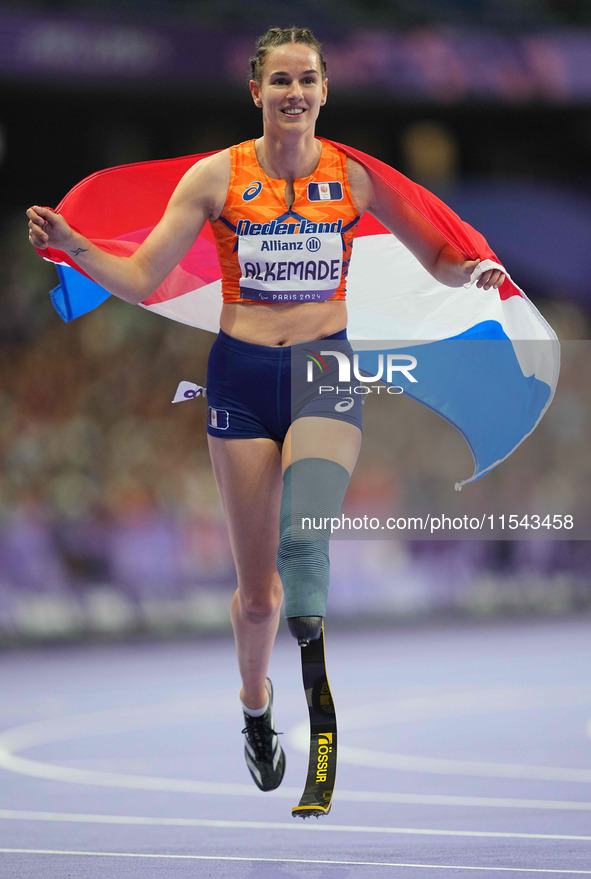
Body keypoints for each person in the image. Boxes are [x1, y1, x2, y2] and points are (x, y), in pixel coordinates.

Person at [27, 26, 505, 794]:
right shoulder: (216, 179)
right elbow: (145, 276)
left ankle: (314, 663)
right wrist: (79, 248)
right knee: (257, 597)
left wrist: (473, 270)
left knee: (301, 543)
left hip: (324, 367)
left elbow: (439, 260)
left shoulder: (353, 178)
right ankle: (256, 707)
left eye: (306, 80)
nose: (293, 93)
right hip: (241, 377)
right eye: (279, 81)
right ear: (256, 92)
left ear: (323, 90)